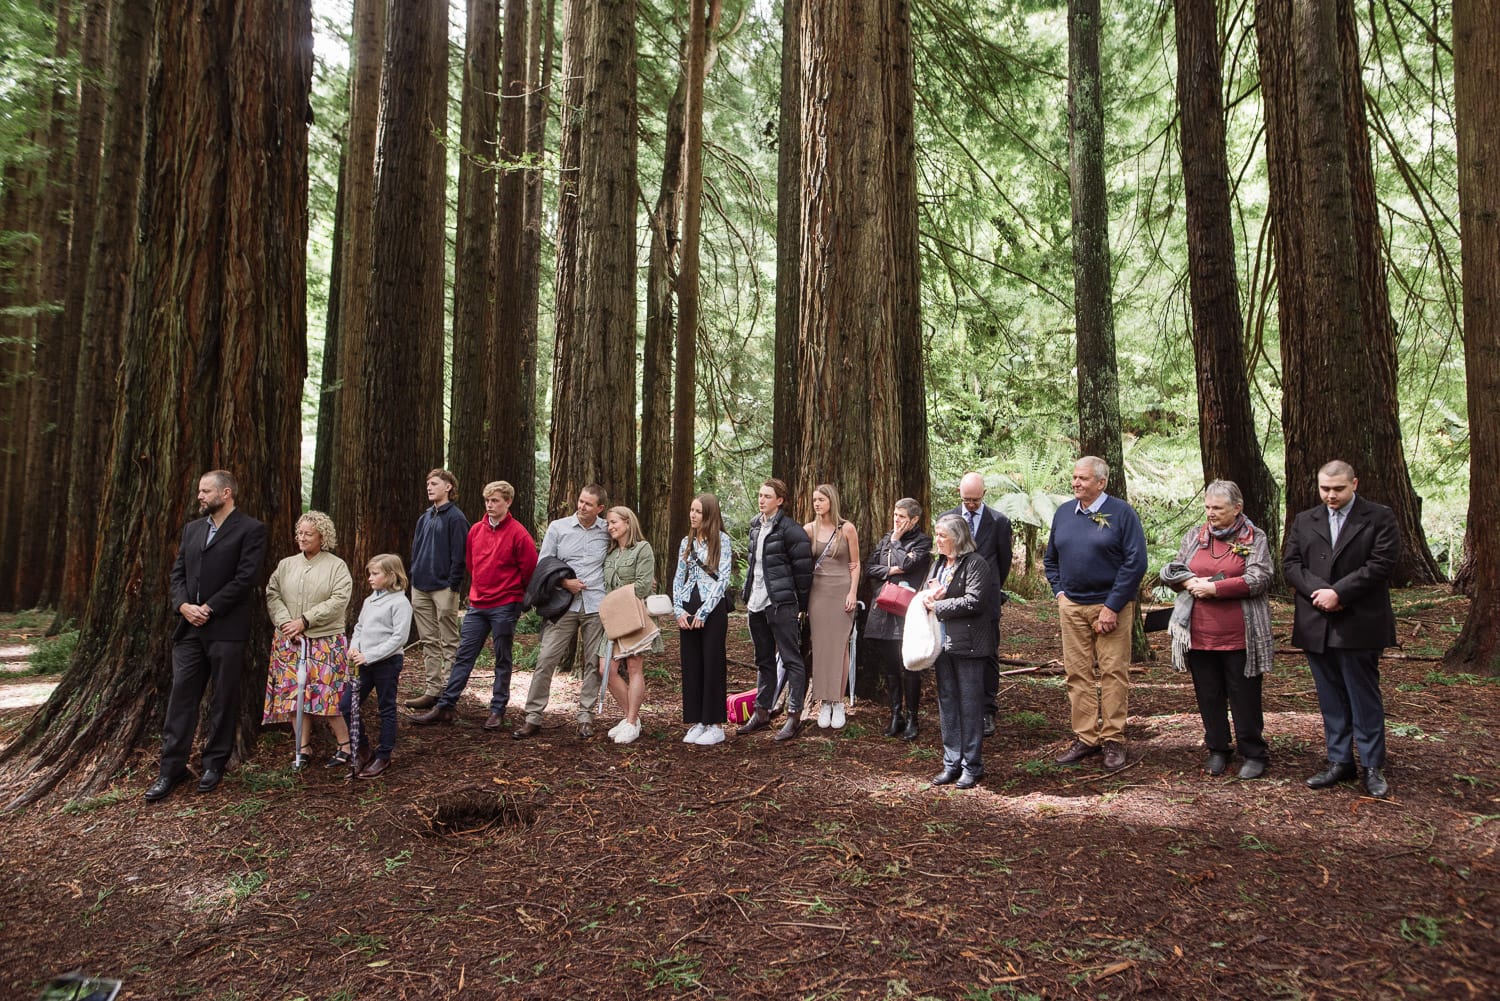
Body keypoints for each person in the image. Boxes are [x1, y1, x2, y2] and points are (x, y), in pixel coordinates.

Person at [145, 470, 268, 802]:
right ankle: (170, 770)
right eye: (199, 490)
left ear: (226, 493)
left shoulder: (251, 529)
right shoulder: (192, 529)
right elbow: (178, 574)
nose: (199, 496)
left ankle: (215, 763)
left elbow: (246, 578)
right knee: (181, 699)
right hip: (189, 629)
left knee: (223, 699)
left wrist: (209, 608)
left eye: (205, 491)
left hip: (226, 629)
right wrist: (184, 605)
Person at [1284, 460, 1399, 799]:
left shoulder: (1379, 517)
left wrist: (1341, 593)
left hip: (1359, 620)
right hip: (1316, 620)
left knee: (1362, 695)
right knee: (1330, 695)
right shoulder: (1306, 520)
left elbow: (1382, 563)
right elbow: (1291, 563)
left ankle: (1372, 765)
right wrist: (1320, 593)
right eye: (1325, 489)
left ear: (1354, 485)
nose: (1330, 495)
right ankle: (1339, 760)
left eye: (1338, 489)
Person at [1161, 481, 1274, 780]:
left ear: (1237, 508)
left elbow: (1260, 576)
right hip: (1199, 633)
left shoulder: (1254, 537)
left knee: (1244, 694)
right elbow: (1176, 567)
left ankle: (1253, 752)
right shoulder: (1196, 536)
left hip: (1240, 634)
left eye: (1218, 508)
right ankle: (1218, 749)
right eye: (1208, 507)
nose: (1210, 513)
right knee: (1208, 693)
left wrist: (1215, 588)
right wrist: (1186, 582)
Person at [1044, 456, 1148, 772]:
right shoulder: (1064, 513)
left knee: (1114, 672)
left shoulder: (1121, 513)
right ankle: (1086, 737)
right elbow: (1051, 559)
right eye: (1074, 477)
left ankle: (1113, 739)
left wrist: (1113, 605)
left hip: (1110, 607)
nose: (1076, 483)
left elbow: (1136, 562)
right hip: (1072, 606)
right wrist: (1060, 594)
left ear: (1101, 483)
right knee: (1077, 673)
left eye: (1083, 479)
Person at [411, 480, 538, 730]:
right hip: (478, 604)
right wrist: (478, 589)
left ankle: (497, 709)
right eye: (487, 501)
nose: (490, 506)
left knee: (502, 658)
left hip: (505, 603)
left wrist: (515, 595)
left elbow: (529, 569)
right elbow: (472, 564)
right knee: (464, 656)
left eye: (495, 501)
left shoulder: (518, 533)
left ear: (508, 502)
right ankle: (446, 706)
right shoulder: (476, 531)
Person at [514, 484, 612, 740]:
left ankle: (585, 717)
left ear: (600, 508)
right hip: (563, 605)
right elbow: (543, 565)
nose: (582, 507)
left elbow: (623, 554)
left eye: (588, 504)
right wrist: (563, 583)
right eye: (580, 501)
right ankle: (533, 716)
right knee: (546, 659)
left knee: (592, 662)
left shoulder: (607, 530)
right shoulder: (558, 528)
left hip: (595, 605)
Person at [261, 511, 354, 770]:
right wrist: (285, 623)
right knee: (294, 695)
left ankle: (345, 745)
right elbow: (273, 593)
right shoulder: (286, 564)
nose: (301, 538)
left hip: (324, 641)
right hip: (289, 641)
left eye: (307, 534)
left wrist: (305, 620)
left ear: (322, 536)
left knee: (328, 695)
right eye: (299, 533)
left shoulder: (336, 566)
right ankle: (302, 747)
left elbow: (338, 600)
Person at [737, 478, 814, 741]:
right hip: (756, 603)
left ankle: (794, 715)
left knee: (792, 659)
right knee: (763, 659)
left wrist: (800, 606)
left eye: (767, 496)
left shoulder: (792, 530)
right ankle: (761, 711)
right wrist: (747, 594)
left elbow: (803, 573)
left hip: (781, 604)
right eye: (760, 495)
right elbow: (754, 568)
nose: (761, 500)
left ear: (779, 500)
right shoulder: (755, 527)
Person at [924, 513, 997, 789]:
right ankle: (951, 763)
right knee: (948, 703)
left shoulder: (976, 564)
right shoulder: (939, 564)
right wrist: (927, 599)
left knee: (969, 705)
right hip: (943, 644)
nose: (938, 540)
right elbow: (929, 593)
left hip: (970, 645)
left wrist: (938, 606)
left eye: (943, 535)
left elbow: (975, 601)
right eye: (937, 534)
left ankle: (972, 765)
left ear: (958, 537)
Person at [942, 472, 1013, 736]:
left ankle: (987, 710)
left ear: (984, 494)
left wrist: (989, 586)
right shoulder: (947, 519)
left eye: (975, 500)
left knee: (988, 654)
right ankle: (961, 709)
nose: (970, 504)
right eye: (965, 500)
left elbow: (1003, 562)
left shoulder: (999, 522)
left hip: (987, 599)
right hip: (953, 599)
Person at [342, 554, 415, 778]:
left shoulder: (400, 603)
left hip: (387, 664)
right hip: (364, 663)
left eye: (375, 574)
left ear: (391, 575)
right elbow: (359, 628)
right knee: (347, 705)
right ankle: (363, 748)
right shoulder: (369, 600)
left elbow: (399, 639)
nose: (370, 578)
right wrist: (354, 648)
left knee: (386, 708)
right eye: (370, 574)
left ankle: (384, 756)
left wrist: (370, 655)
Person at [864, 498, 932, 739]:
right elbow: (870, 568)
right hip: (882, 610)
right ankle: (896, 715)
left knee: (909, 666)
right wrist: (891, 570)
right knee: (890, 666)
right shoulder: (886, 538)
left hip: (907, 611)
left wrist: (895, 544)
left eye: (902, 517)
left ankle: (913, 717)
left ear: (914, 520)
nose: (897, 520)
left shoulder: (922, 542)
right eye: (895, 514)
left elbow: (909, 563)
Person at [673, 493, 734, 746]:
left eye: (698, 511)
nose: (692, 515)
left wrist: (704, 612)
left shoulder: (722, 541)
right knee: (692, 663)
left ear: (709, 514)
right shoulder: (686, 542)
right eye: (691, 510)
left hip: (712, 608)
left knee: (712, 662)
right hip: (689, 605)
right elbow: (679, 577)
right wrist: (678, 609)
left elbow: (723, 579)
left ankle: (715, 723)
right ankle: (698, 719)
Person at [406, 469, 468, 710]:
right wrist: (414, 576)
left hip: (444, 587)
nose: (429, 487)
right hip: (420, 586)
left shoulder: (456, 518)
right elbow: (416, 549)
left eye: (434, 484)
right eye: (427, 484)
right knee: (429, 640)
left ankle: (449, 694)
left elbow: (459, 555)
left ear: (448, 487)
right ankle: (432, 690)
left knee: (449, 640)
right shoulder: (425, 517)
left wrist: (453, 585)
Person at [599, 506, 660, 744]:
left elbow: (644, 585)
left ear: (628, 522)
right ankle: (630, 717)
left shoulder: (642, 549)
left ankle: (632, 721)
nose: (610, 526)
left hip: (635, 616)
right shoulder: (612, 554)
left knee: (634, 668)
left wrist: (618, 595)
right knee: (606, 669)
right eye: (608, 523)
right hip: (613, 619)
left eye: (614, 522)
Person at [804, 484, 860, 729]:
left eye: (822, 500)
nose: (817, 504)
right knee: (821, 646)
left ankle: (838, 702)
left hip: (841, 592)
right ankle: (823, 702)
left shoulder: (847, 528)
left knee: (840, 647)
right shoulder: (808, 529)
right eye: (815, 500)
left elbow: (855, 564)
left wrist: (852, 592)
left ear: (832, 501)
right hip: (818, 593)